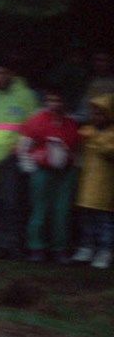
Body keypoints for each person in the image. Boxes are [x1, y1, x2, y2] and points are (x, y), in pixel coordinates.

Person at [0, 61, 39, 258]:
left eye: (0, 72)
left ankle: (14, 246)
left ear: (11, 73)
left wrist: (21, 148)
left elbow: (34, 126)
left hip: (13, 155)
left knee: (12, 202)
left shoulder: (26, 95)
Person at [17, 88, 81, 263]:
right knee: (40, 210)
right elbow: (23, 147)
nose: (54, 104)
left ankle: (59, 249)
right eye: (51, 100)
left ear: (64, 103)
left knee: (62, 211)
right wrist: (30, 168)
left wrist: (74, 169)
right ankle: (36, 247)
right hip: (42, 172)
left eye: (58, 101)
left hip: (65, 174)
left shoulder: (71, 123)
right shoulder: (36, 121)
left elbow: (76, 150)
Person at [71, 94, 114, 269]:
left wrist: (94, 141)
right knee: (86, 219)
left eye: (100, 114)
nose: (96, 118)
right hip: (87, 185)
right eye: (94, 114)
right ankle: (87, 247)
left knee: (104, 221)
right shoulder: (88, 131)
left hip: (105, 187)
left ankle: (105, 250)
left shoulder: (107, 134)